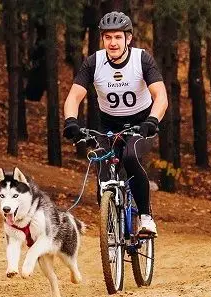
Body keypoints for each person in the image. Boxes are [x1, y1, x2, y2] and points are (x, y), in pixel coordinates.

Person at [62, 11, 168, 237]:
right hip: (108, 125)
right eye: (108, 37)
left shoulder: (142, 60)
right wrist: (71, 121)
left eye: (118, 37)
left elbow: (161, 96)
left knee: (130, 157)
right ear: (103, 39)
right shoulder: (93, 62)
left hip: (141, 124)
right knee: (103, 171)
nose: (113, 43)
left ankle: (146, 218)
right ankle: (110, 230)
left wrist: (152, 120)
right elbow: (74, 97)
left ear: (128, 39)